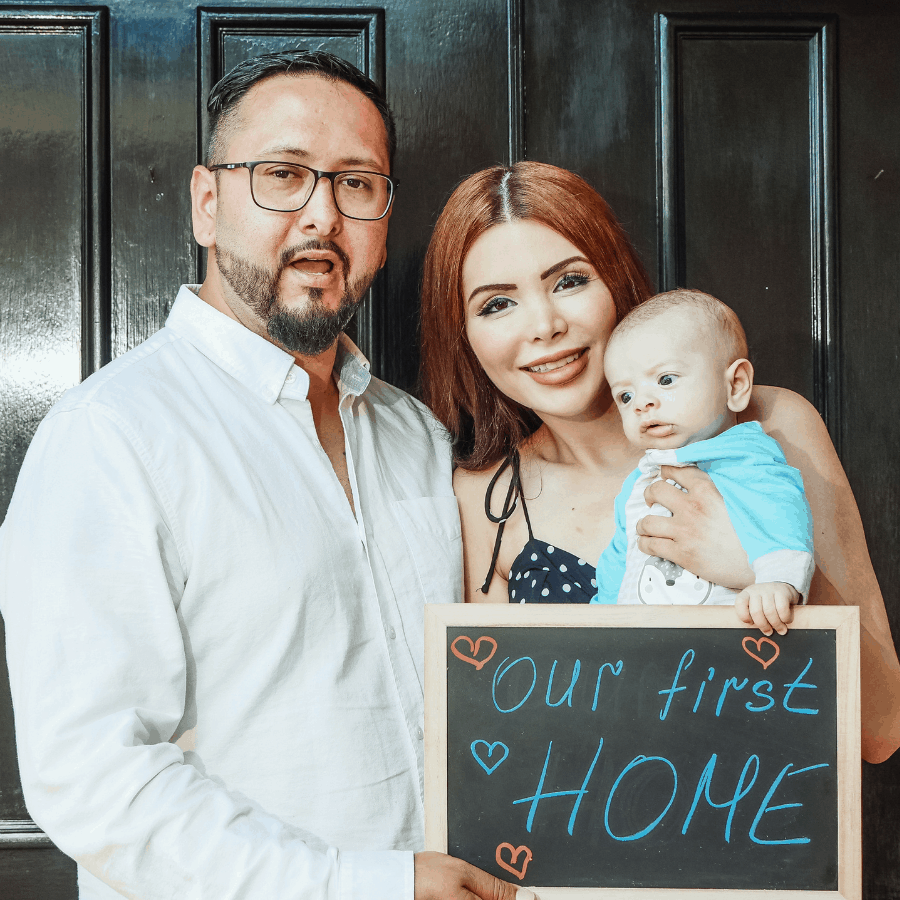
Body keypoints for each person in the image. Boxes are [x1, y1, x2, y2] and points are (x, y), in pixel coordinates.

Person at [0, 51, 524, 900]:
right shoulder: (109, 439)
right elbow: (91, 776)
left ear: (385, 221)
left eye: (357, 184)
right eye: (282, 174)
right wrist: (371, 885)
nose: (321, 215)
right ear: (208, 204)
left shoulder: (417, 436)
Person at [419, 160, 900, 764]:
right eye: (496, 305)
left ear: (616, 282)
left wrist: (759, 565)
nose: (544, 325)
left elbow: (880, 729)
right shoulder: (486, 499)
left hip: (763, 829)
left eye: (569, 281)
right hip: (597, 837)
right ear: (462, 334)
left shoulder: (766, 427)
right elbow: (502, 751)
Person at [593, 289, 814, 637]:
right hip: (641, 652)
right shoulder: (639, 481)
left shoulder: (748, 460)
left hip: (725, 655)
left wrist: (778, 583)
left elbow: (782, 519)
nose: (642, 403)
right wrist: (596, 620)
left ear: (736, 385)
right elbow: (617, 563)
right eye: (626, 395)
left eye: (665, 380)